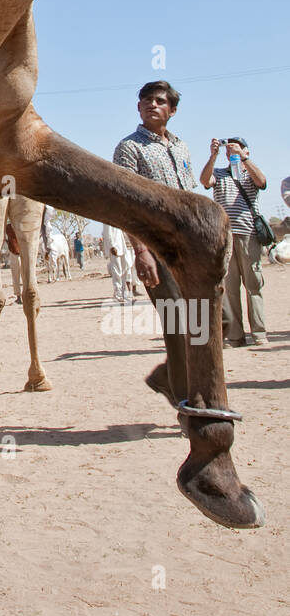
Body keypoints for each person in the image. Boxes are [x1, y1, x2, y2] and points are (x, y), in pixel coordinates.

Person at [112, 80, 197, 405]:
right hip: (155, 246)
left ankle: (167, 377)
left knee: (199, 321)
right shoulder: (130, 148)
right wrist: (141, 250)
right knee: (176, 323)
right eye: (146, 100)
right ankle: (186, 402)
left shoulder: (181, 148)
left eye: (160, 101)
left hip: (188, 248)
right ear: (138, 107)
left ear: (172, 110)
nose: (152, 104)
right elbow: (125, 204)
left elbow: (190, 195)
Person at [200, 136, 269, 347]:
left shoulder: (249, 172)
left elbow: (262, 182)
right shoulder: (220, 174)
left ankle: (259, 333)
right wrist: (213, 156)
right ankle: (236, 336)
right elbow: (205, 181)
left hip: (248, 236)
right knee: (230, 289)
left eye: (237, 148)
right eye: (229, 149)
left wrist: (243, 159)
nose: (232, 152)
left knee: (253, 285)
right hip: (224, 237)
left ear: (246, 151)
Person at [102, 224, 134, 303]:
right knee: (117, 272)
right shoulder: (107, 219)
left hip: (122, 247)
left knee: (124, 270)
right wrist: (112, 246)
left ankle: (123, 293)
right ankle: (117, 294)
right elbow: (107, 233)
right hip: (115, 249)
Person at [4, 219, 22, 304]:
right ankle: (19, 296)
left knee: (17, 275)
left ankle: (19, 297)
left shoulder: (8, 227)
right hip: (16, 252)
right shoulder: (9, 226)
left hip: (16, 252)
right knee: (18, 275)